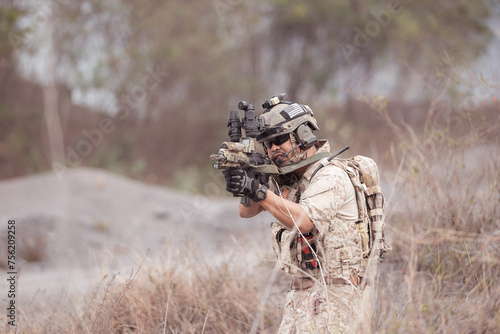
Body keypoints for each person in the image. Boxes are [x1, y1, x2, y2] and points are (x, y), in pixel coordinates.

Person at [223, 98, 363, 333]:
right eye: (267, 144)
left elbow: (304, 221)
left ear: (303, 135)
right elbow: (245, 212)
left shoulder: (331, 176)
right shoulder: (289, 181)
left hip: (338, 293)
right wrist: (247, 182)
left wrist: (259, 190)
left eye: (279, 140)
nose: (273, 149)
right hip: (302, 292)